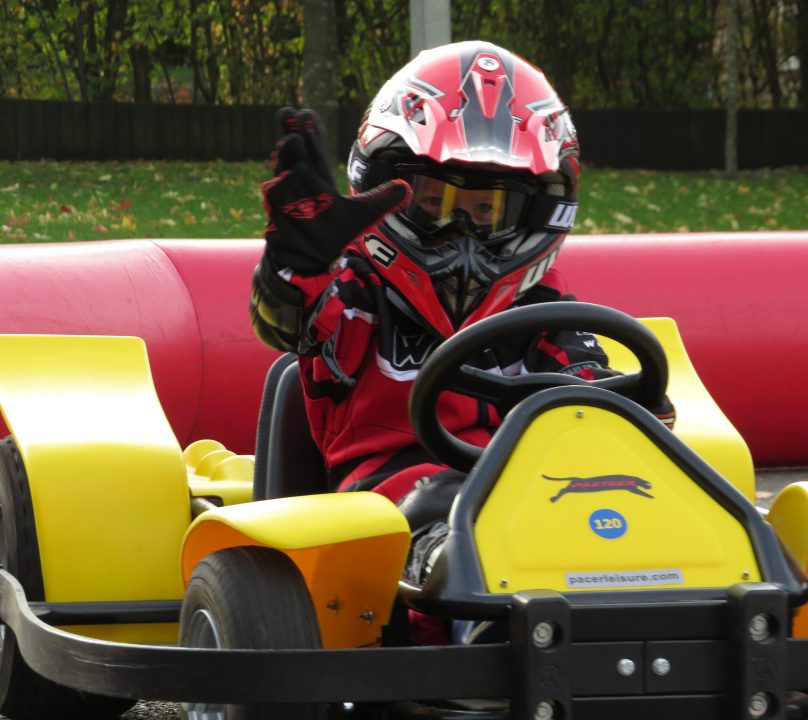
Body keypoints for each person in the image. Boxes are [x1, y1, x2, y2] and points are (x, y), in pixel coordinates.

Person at [249, 41, 675, 592]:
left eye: (485, 210)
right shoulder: (356, 293)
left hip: (527, 502)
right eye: (433, 203)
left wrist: (628, 411)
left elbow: (587, 391)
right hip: (379, 521)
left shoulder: (544, 309)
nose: (462, 235)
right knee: (453, 519)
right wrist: (295, 265)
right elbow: (289, 322)